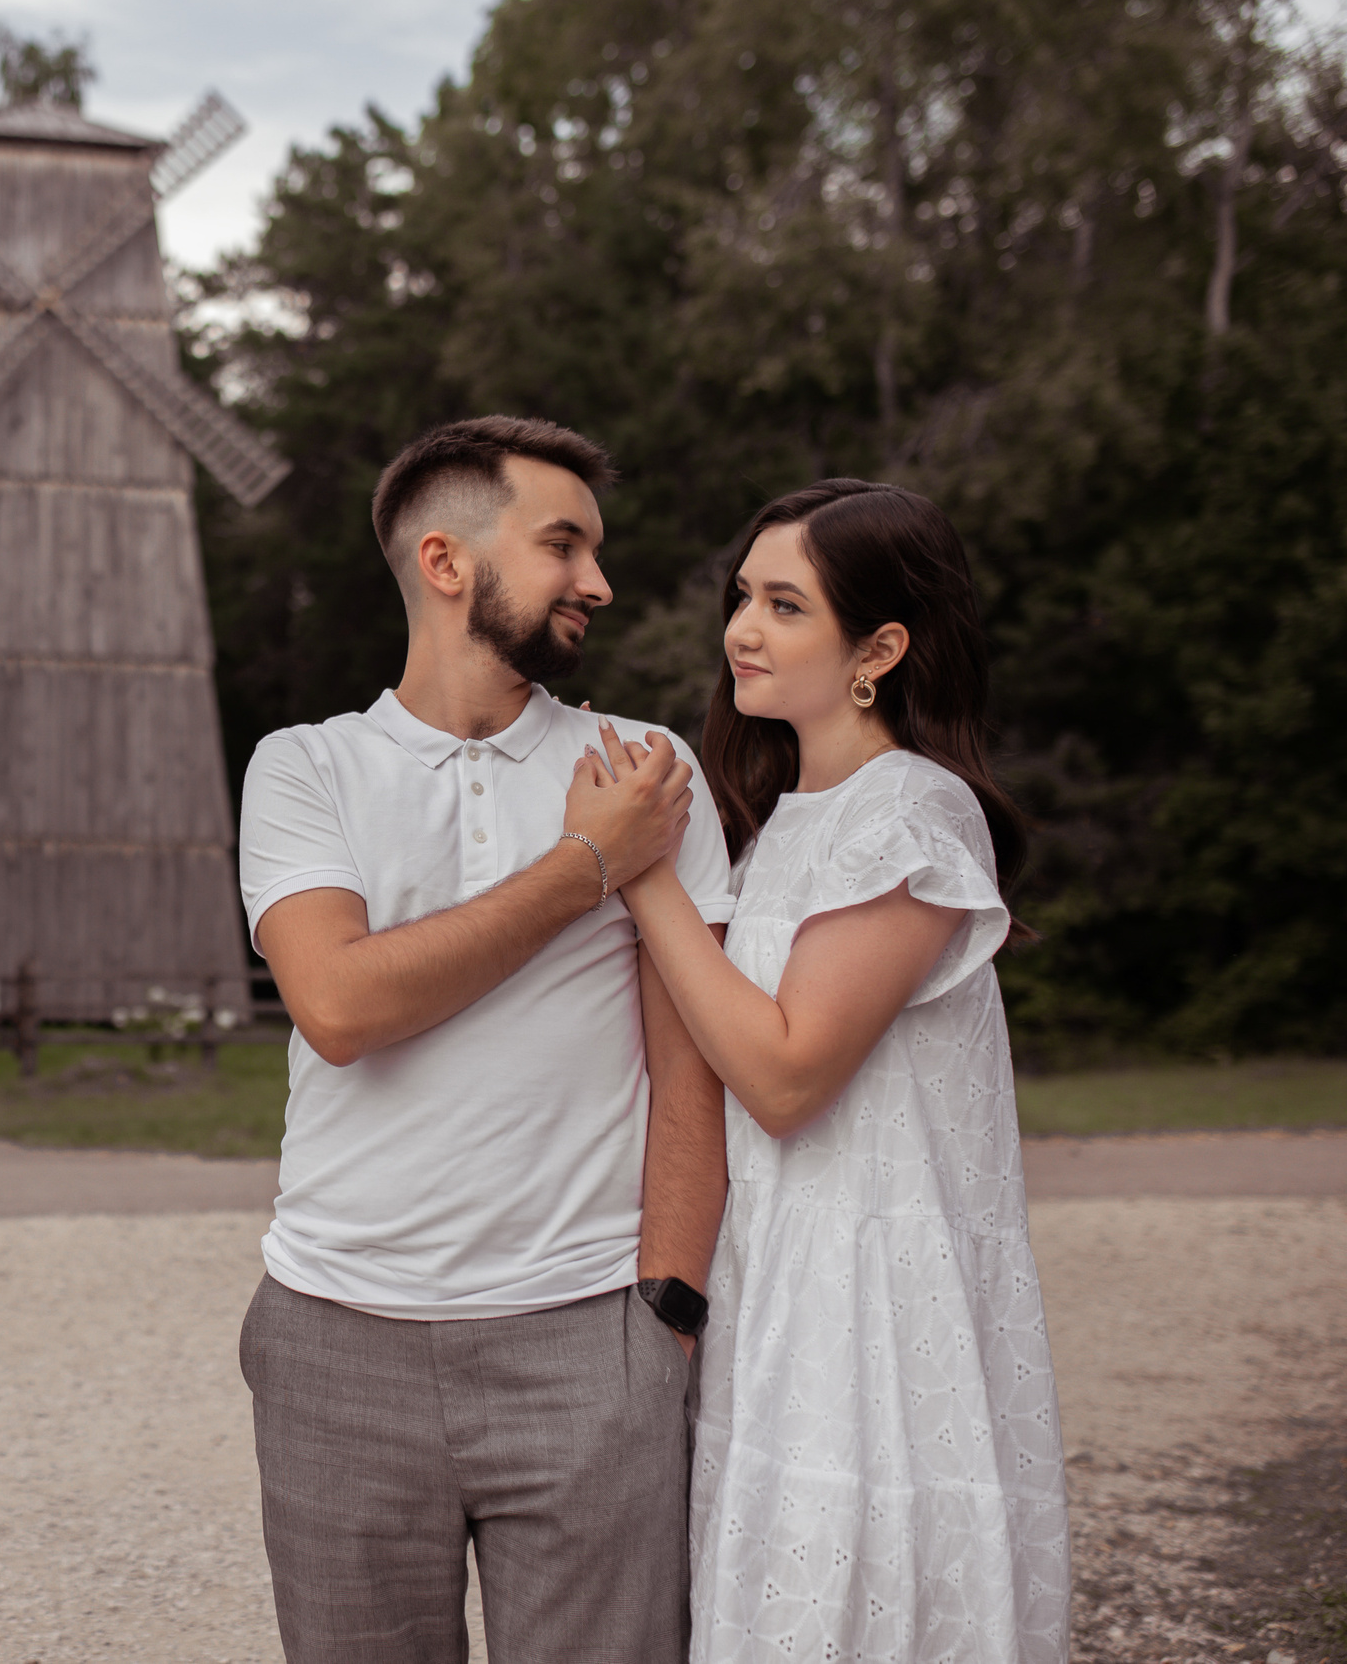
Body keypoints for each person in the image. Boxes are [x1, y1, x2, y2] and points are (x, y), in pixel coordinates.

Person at [238, 415, 737, 1664]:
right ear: (448, 562)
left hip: (588, 1339)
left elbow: (693, 1069)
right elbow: (340, 1008)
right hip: (333, 1340)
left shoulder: (648, 771)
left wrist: (665, 1311)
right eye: (563, 543)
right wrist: (584, 868)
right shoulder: (304, 768)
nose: (597, 582)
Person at [608, 479, 1069, 1663]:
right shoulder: (784, 821)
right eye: (740, 598)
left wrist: (641, 876)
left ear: (878, 649)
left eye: (783, 605)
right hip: (781, 1274)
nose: (741, 631)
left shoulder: (909, 817)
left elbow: (786, 1075)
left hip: (871, 1297)